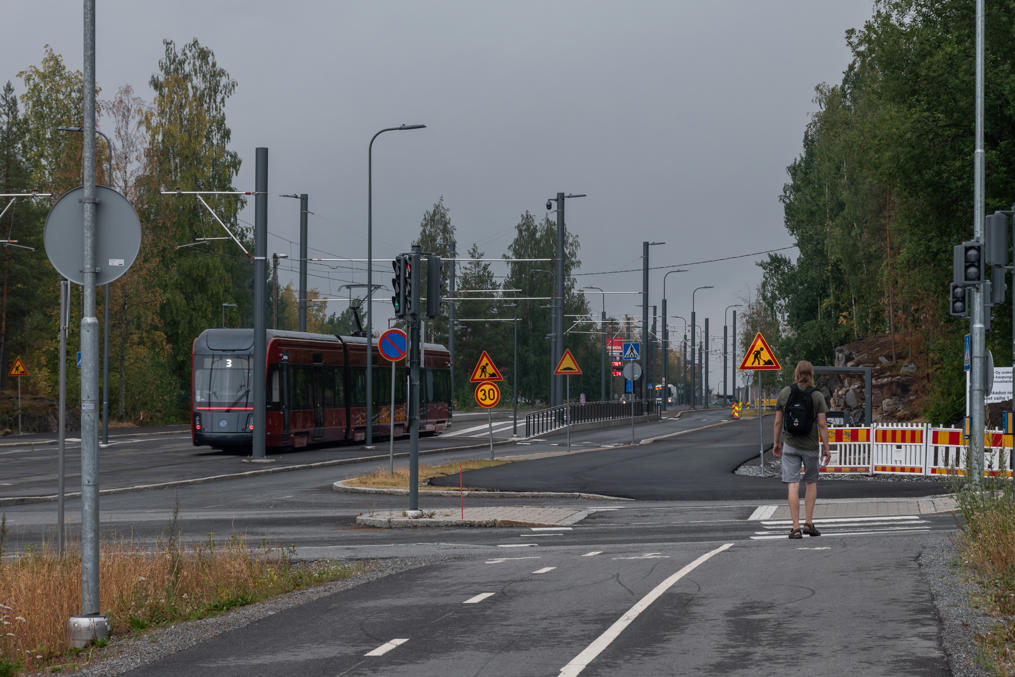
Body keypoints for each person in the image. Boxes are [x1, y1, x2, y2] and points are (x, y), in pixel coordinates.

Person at [772, 360, 831, 539]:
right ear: (812, 374)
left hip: (790, 445)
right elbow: (822, 424)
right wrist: (826, 448)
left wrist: (776, 442)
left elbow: (778, 422)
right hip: (810, 446)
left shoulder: (785, 393)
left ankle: (796, 528)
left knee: (793, 483)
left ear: (796, 373)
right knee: (811, 482)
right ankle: (808, 523)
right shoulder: (817, 395)